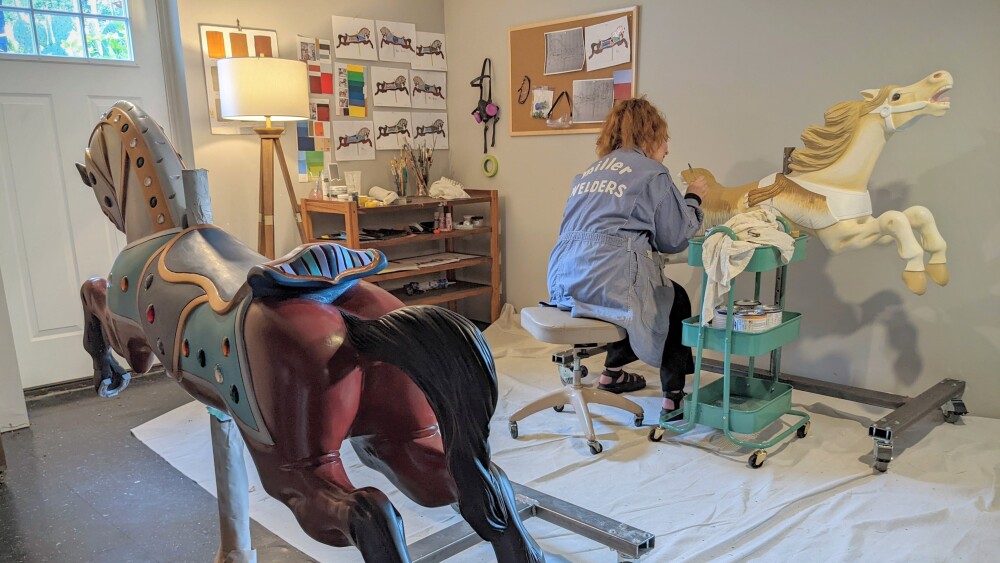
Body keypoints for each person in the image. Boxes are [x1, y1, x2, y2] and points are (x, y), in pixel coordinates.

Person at [546, 97, 708, 423]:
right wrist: (693, 198)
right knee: (670, 298)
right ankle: (673, 401)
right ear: (650, 135)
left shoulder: (590, 172)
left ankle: (612, 375)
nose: (667, 150)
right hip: (609, 280)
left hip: (564, 282)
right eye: (665, 141)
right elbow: (674, 238)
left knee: (630, 293)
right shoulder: (653, 173)